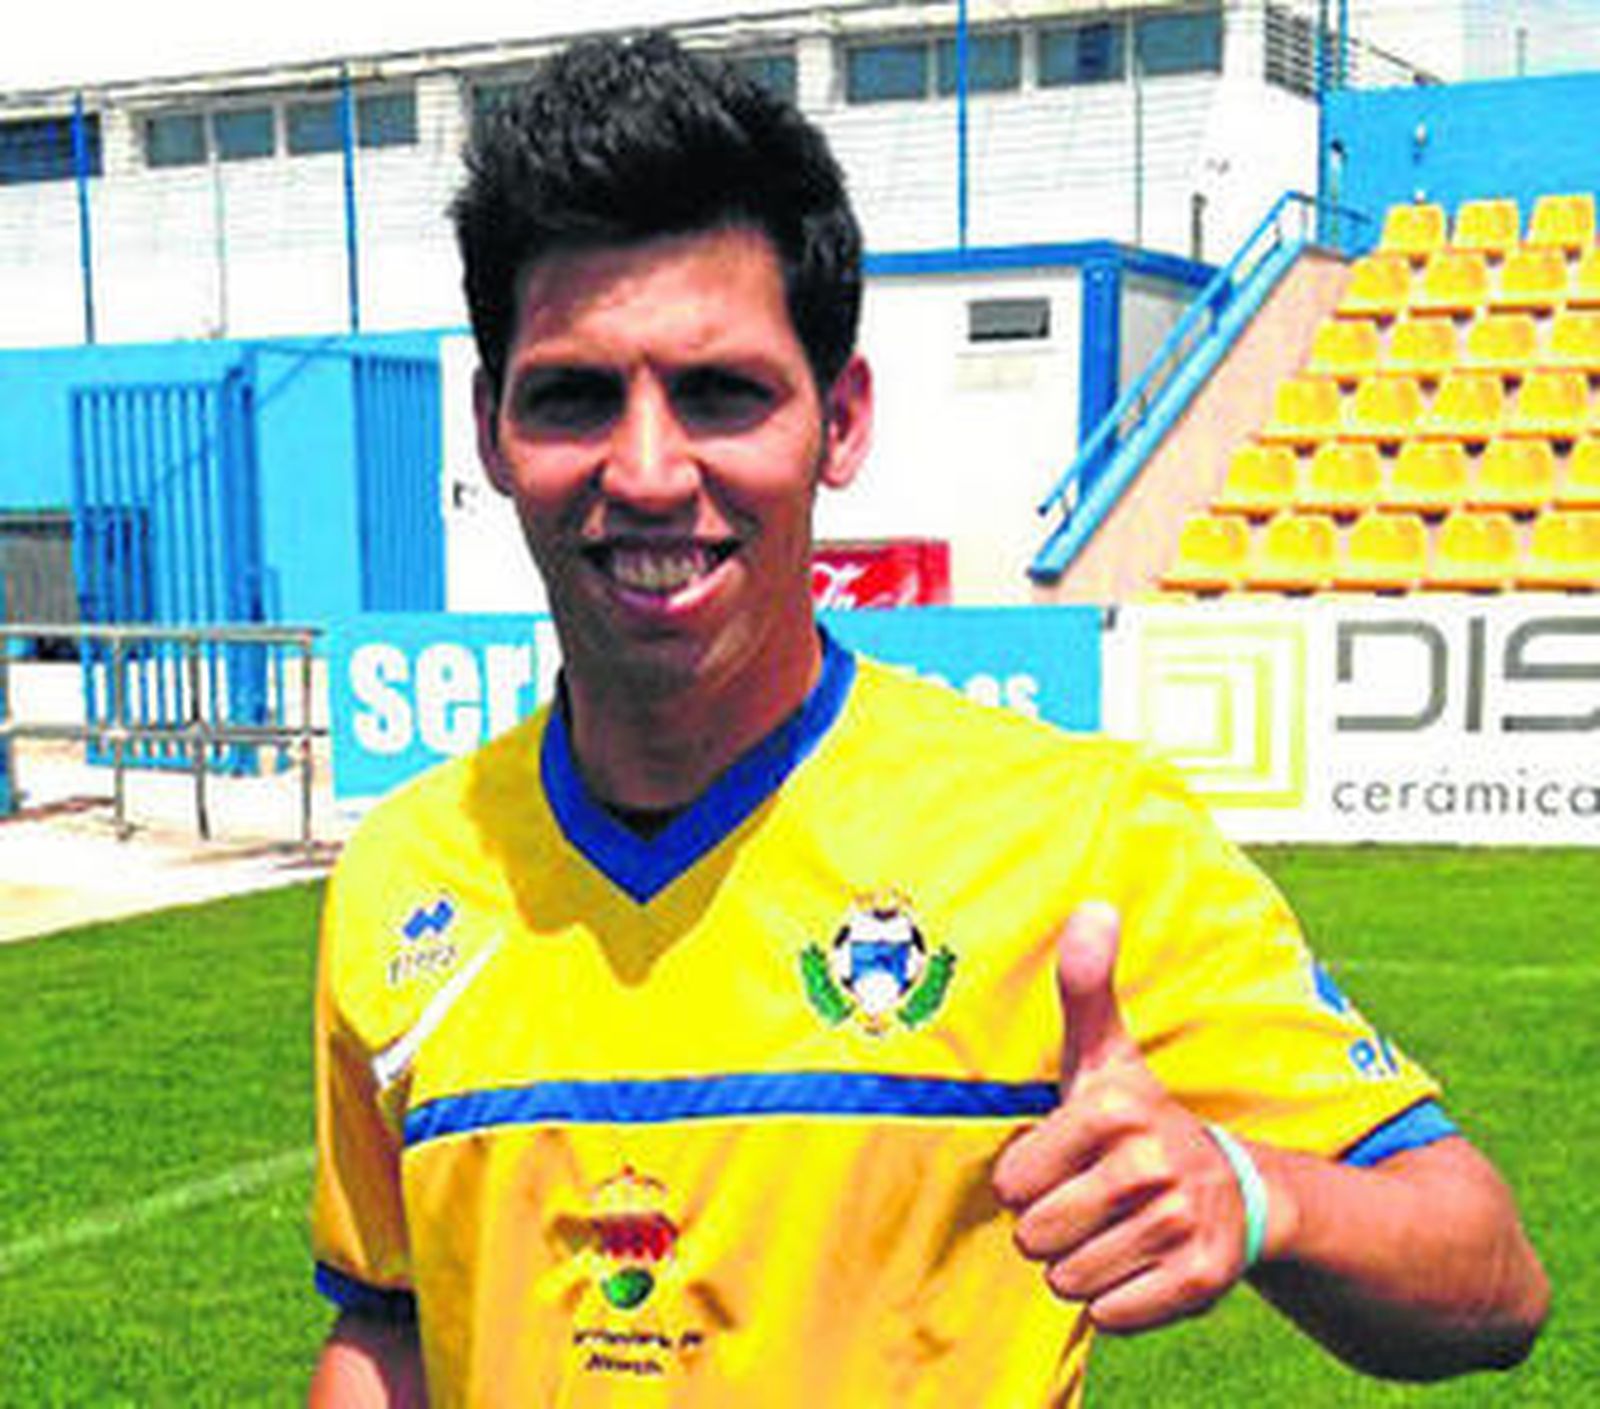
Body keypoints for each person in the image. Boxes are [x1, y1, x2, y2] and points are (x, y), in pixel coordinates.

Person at [308, 31, 1548, 1407]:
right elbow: (389, 1327)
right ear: (491, 432)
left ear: (840, 421)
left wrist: (1255, 1198)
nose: (648, 470)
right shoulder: (401, 873)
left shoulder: (1075, 838)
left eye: (722, 392)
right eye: (573, 397)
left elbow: (1490, 1271)